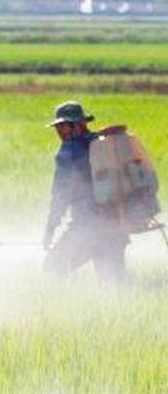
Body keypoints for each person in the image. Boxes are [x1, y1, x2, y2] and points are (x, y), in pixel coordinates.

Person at [43, 101, 128, 283]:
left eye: (63, 127)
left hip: (87, 228)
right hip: (118, 226)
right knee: (114, 285)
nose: (59, 132)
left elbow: (60, 195)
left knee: (53, 268)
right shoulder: (105, 144)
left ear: (79, 125)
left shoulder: (69, 151)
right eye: (58, 127)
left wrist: (49, 230)